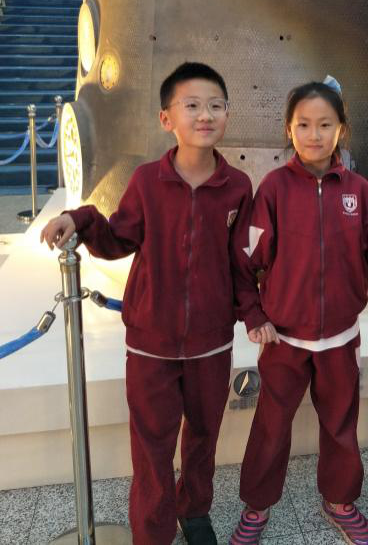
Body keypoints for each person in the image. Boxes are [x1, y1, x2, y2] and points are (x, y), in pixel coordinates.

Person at [39, 62, 266, 545]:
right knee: (151, 446)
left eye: (216, 105)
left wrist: (252, 312)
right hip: (151, 345)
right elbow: (117, 238)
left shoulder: (237, 187)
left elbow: (239, 261)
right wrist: (80, 219)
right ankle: (153, 532)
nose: (205, 115)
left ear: (227, 114)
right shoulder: (146, 181)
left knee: (203, 435)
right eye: (192, 105)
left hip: (210, 342)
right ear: (167, 119)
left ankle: (194, 510)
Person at [230, 80, 368, 545]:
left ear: (342, 129)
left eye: (324, 125)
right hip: (284, 340)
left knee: (340, 425)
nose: (314, 135)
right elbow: (245, 259)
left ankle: (340, 501)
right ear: (288, 129)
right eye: (303, 125)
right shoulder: (274, 190)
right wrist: (254, 315)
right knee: (271, 427)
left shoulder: (360, 192)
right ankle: (257, 506)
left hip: (340, 338)